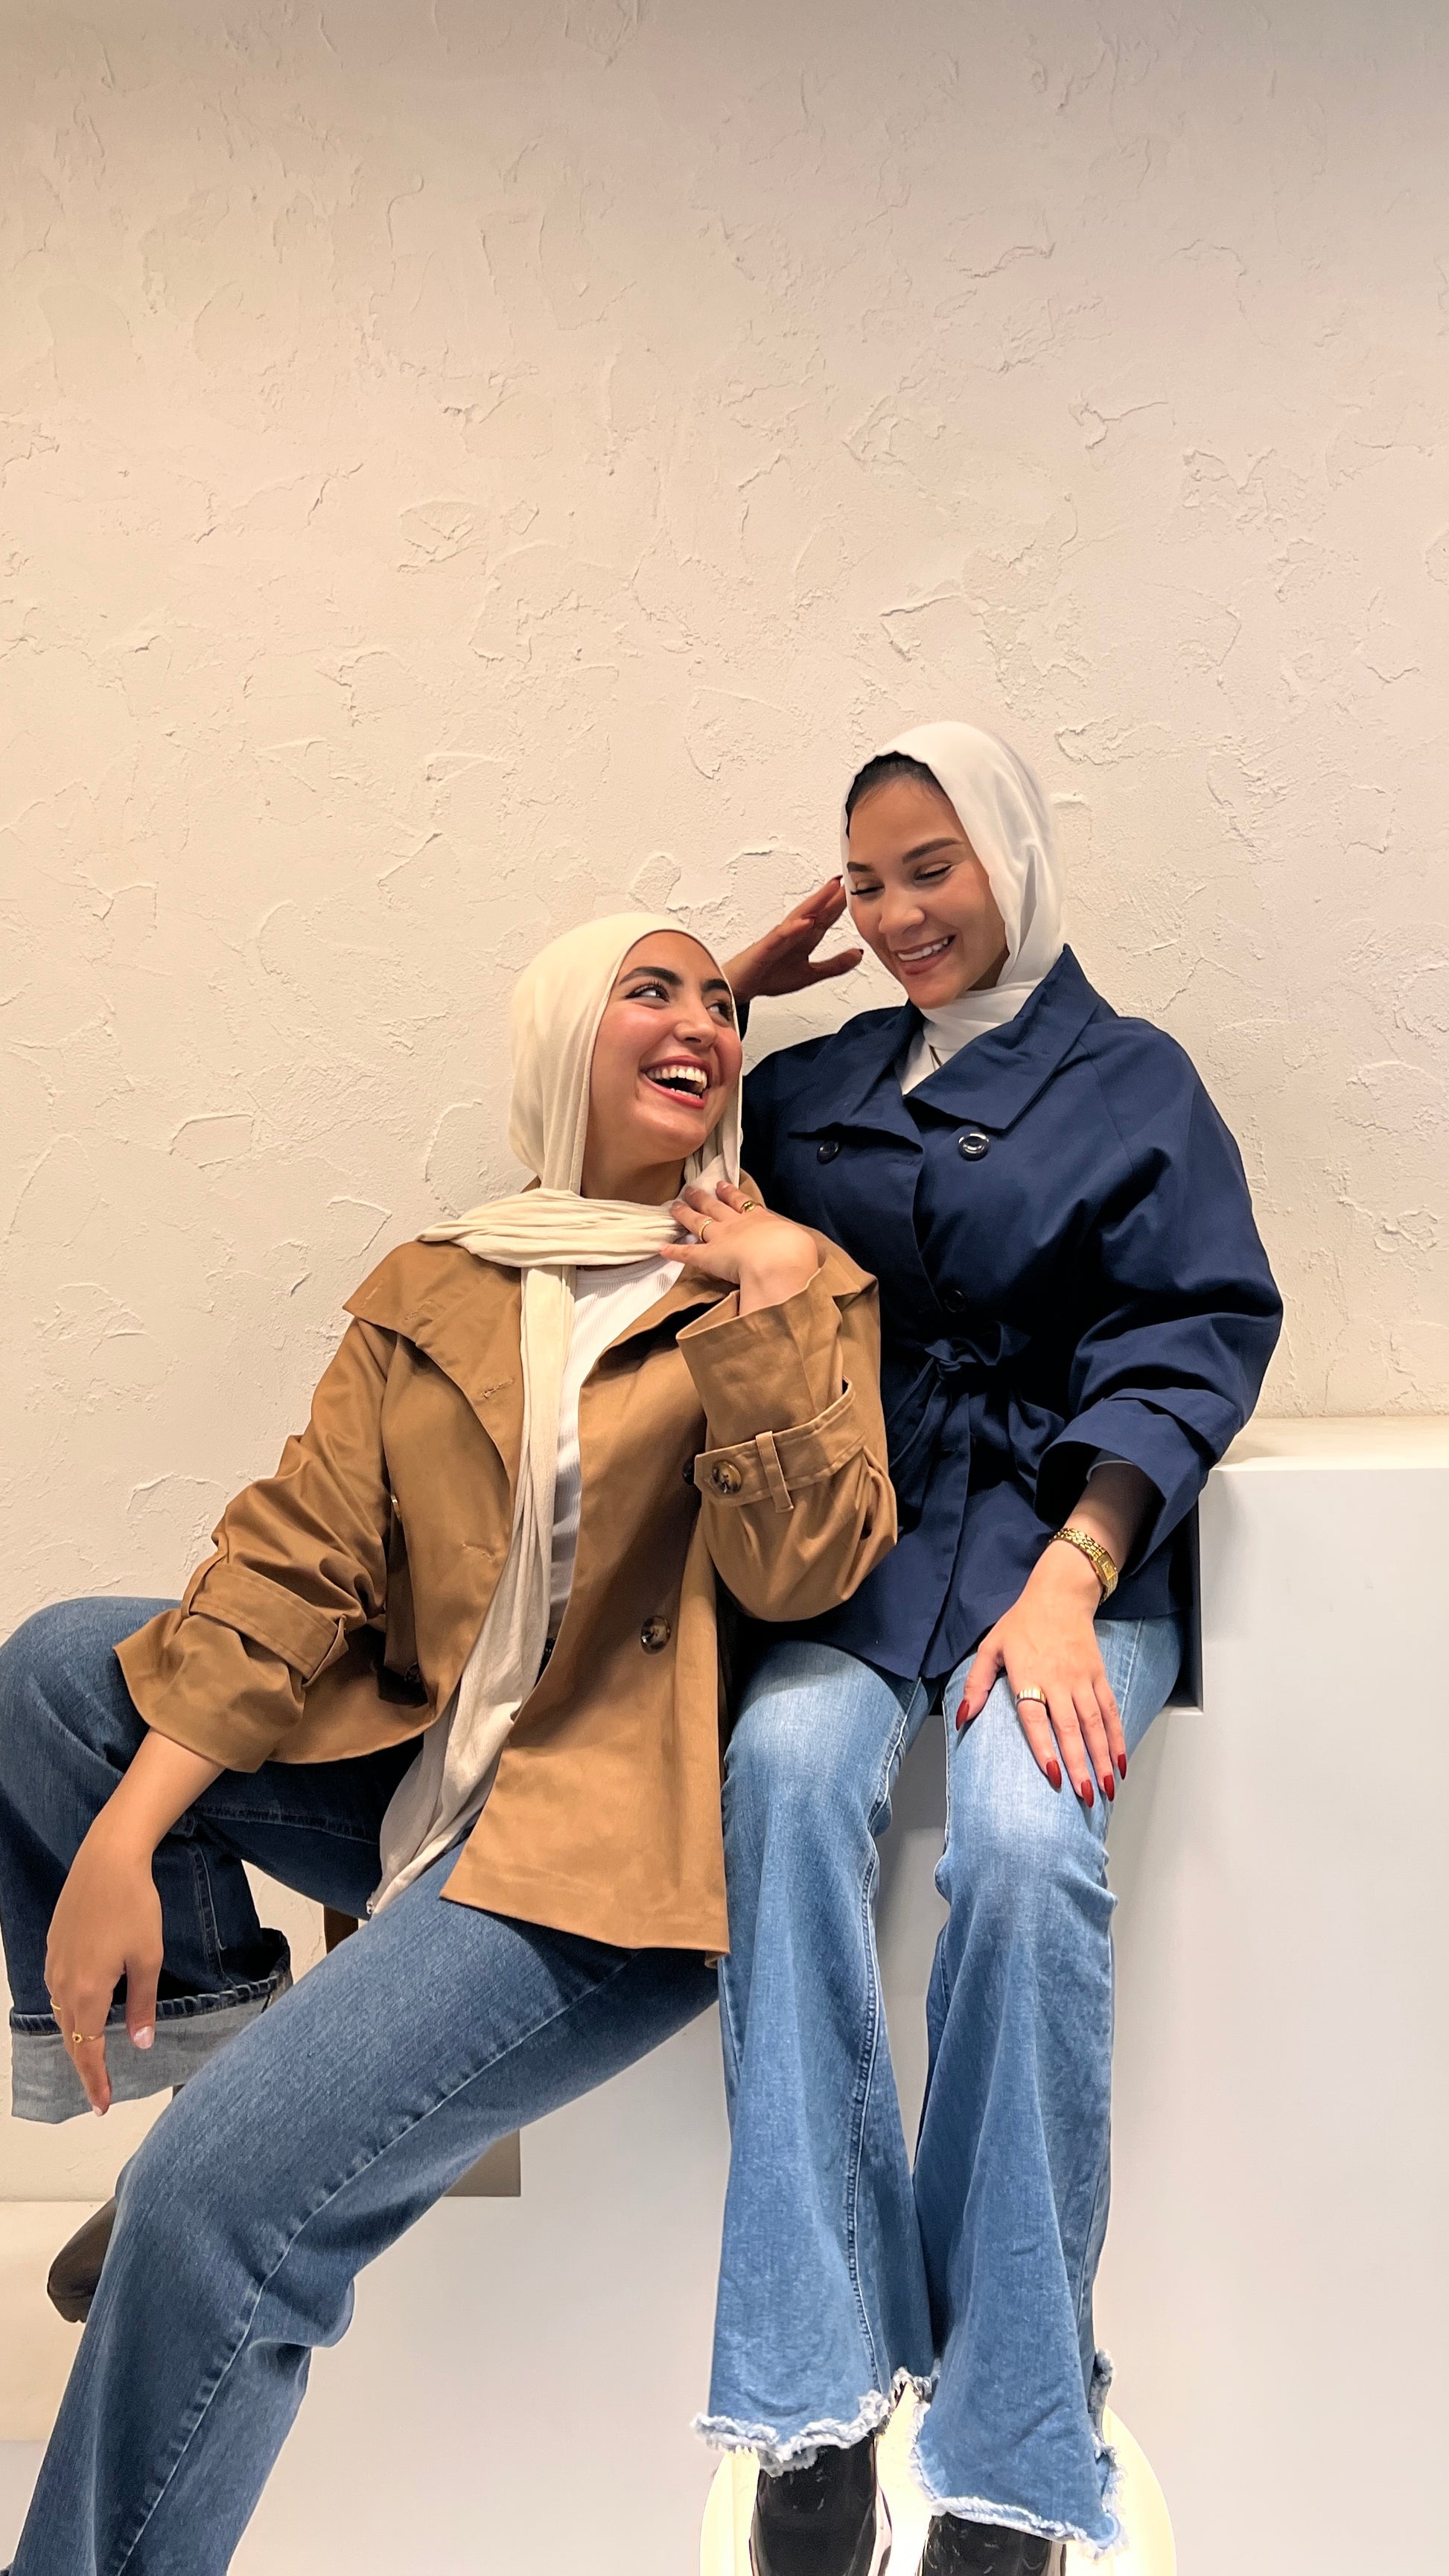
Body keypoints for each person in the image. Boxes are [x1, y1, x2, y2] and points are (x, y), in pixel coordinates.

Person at [0, 912, 896, 2576]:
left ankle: (205, 2183)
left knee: (215, 2209)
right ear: (558, 1033)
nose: (698, 1020)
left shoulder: (789, 1276)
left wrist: (767, 1301)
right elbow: (295, 1560)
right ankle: (223, 2065)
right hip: (434, 1767)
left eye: (719, 1002)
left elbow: (807, 1572)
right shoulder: (445, 1278)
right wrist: (124, 1832)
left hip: (606, 1848)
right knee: (54, 1671)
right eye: (649, 990)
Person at [707, 725, 1284, 2576]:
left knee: (1028, 1850)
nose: (897, 913)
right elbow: (634, 1145)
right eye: (866, 881)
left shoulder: (1136, 1078)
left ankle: (1011, 2429)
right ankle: (815, 2386)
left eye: (931, 866)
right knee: (780, 1775)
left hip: (1065, 1551)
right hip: (862, 1553)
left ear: (1012, 856)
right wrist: (728, 989)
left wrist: (1076, 1567)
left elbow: (1197, 1328)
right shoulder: (813, 1085)